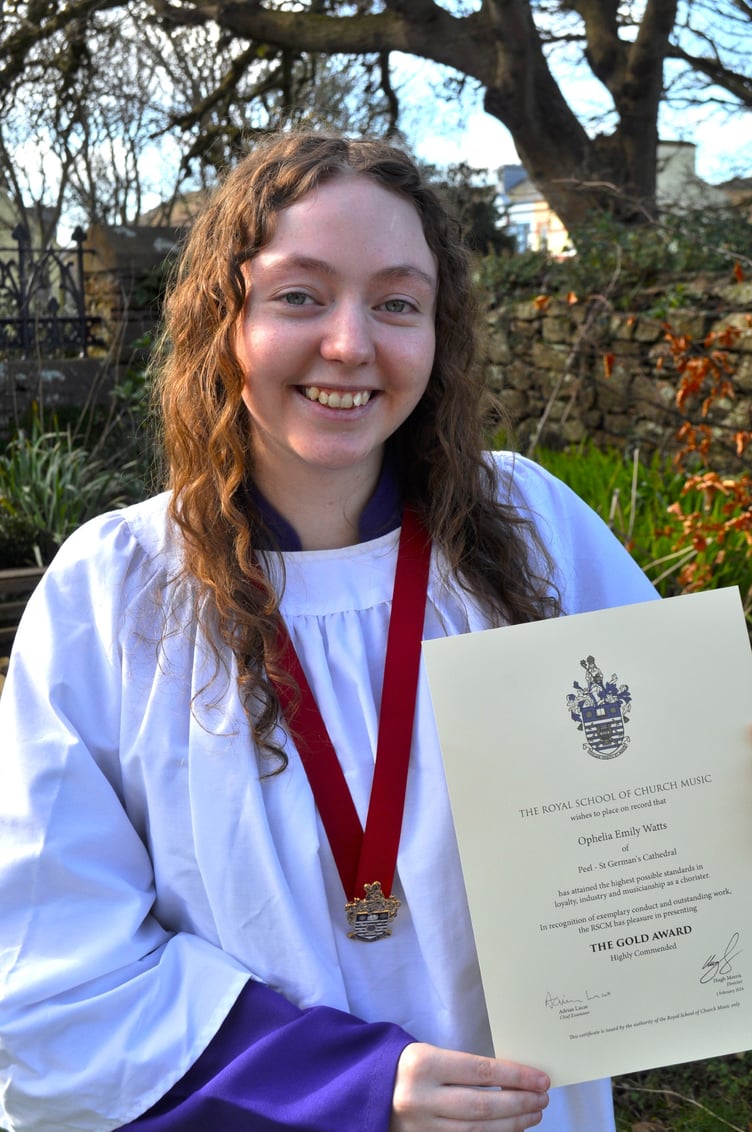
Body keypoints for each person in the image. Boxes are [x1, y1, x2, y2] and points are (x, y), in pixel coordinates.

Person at [0, 131, 658, 1132]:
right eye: (299, 296)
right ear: (225, 320)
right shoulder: (115, 592)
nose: (351, 343)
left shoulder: (532, 530)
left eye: (396, 302)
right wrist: (349, 1083)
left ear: (439, 331)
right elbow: (49, 976)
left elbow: (680, 785)